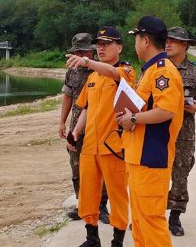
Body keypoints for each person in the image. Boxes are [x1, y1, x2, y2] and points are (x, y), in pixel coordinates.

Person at [116, 16, 184, 247]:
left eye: (135, 38)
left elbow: (167, 110)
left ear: (145, 40)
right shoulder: (149, 71)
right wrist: (128, 117)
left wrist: (133, 118)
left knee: (151, 221)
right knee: (139, 220)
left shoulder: (163, 72)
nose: (135, 44)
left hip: (152, 158)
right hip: (137, 158)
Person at [66, 26, 136, 247]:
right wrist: (76, 131)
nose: (101, 48)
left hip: (113, 146)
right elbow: (86, 108)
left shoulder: (125, 71)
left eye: (107, 44)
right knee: (88, 194)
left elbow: (113, 74)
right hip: (90, 146)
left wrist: (86, 62)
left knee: (117, 195)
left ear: (120, 47)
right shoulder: (94, 77)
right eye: (98, 44)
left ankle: (117, 241)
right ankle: (92, 238)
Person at [165, 27, 196, 236]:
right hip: (158, 131)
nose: (167, 44)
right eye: (166, 40)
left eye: (173, 41)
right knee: (154, 173)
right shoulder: (157, 68)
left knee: (180, 173)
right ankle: (151, 214)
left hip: (184, 133)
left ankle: (175, 216)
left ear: (184, 45)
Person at [59, 33, 110, 224]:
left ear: (92, 50)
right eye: (77, 51)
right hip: (76, 126)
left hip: (101, 125)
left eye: (83, 51)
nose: (79, 54)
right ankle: (83, 204)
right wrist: (62, 122)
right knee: (76, 165)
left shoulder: (102, 69)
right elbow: (68, 96)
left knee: (101, 167)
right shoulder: (72, 71)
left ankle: (101, 206)